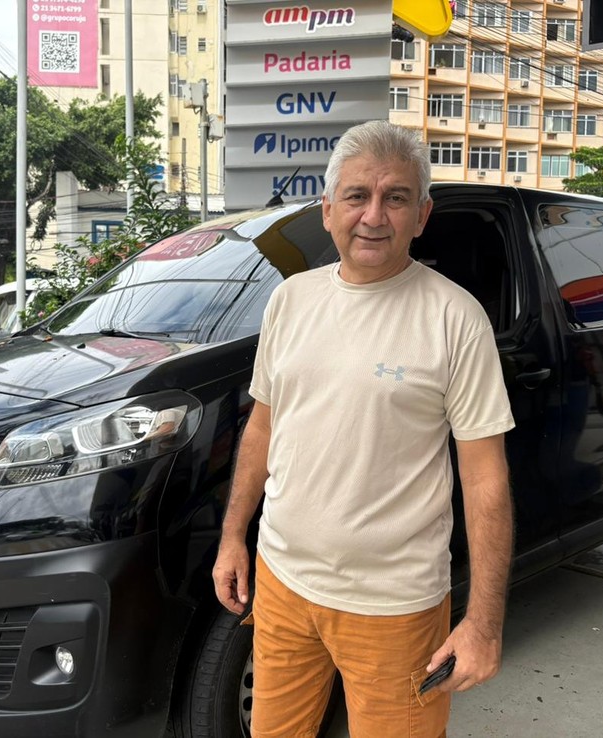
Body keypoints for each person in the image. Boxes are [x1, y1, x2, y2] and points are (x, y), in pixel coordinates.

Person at [212, 120, 515, 737]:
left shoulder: (455, 318)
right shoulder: (290, 301)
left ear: (422, 215)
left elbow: (485, 479)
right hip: (282, 584)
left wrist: (483, 623)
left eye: (395, 197)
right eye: (357, 196)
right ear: (328, 210)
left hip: (395, 607)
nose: (373, 215)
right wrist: (232, 537)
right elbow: (264, 430)